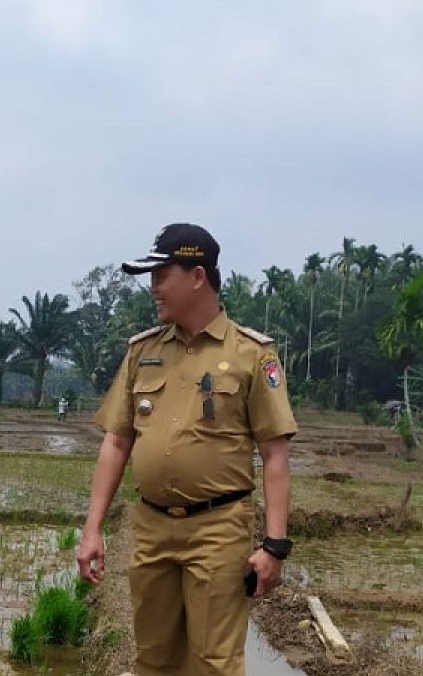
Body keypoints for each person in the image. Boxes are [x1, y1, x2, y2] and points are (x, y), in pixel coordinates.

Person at [76, 223, 297, 676]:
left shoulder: (251, 354)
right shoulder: (144, 352)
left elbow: (275, 455)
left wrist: (273, 546)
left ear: (197, 277)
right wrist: (92, 528)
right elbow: (117, 441)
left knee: (214, 664)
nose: (153, 288)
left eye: (161, 275)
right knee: (153, 660)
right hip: (152, 527)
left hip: (218, 529)